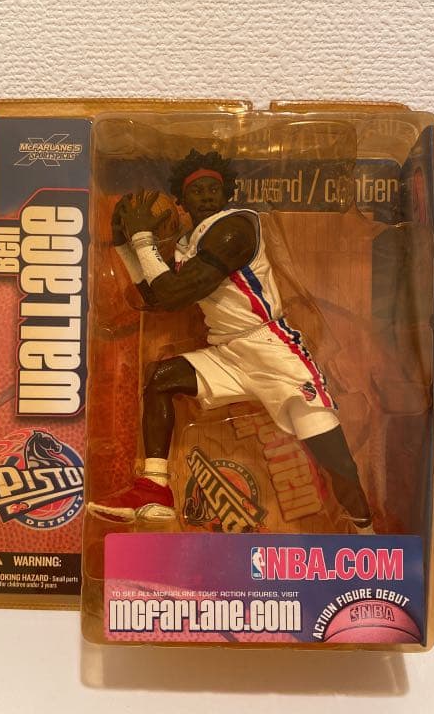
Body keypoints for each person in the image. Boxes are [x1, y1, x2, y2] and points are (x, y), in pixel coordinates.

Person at [88, 150, 374, 533]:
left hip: (273, 350)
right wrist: (124, 245)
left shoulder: (236, 227)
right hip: (229, 352)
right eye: (197, 190)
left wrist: (142, 239)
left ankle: (365, 530)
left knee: (336, 460)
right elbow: (156, 298)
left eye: (214, 188)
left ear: (226, 194)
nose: (207, 195)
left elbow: (175, 293)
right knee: (160, 378)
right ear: (181, 200)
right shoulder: (188, 243)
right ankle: (154, 488)